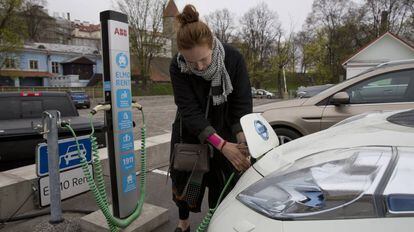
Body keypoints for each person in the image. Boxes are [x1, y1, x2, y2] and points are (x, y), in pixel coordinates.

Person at [169, 4, 252, 232]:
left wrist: (241, 141)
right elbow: (189, 110)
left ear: (212, 45)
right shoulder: (177, 67)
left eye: (204, 60)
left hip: (225, 130)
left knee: (221, 185)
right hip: (190, 133)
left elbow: (241, 103)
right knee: (185, 186)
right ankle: (183, 223)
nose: (198, 67)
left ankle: (216, 223)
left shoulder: (233, 59)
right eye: (191, 62)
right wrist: (222, 145)